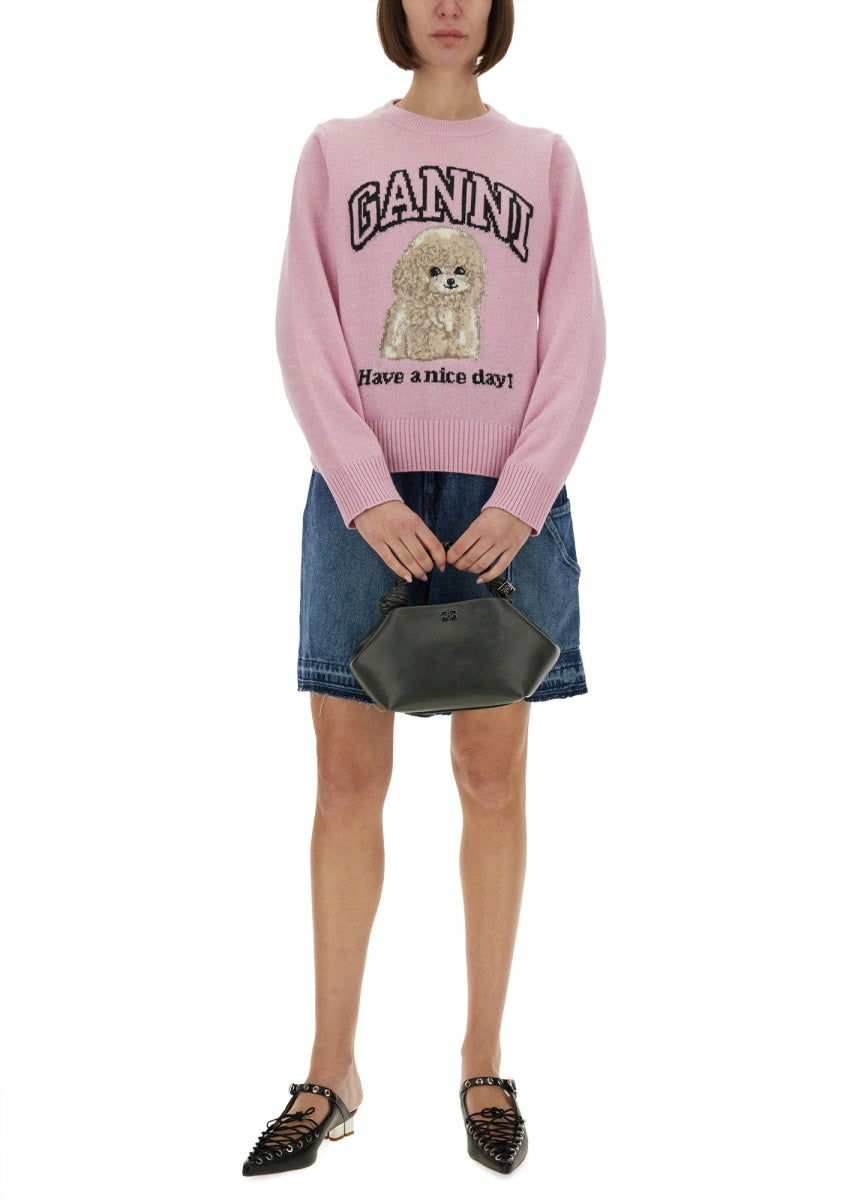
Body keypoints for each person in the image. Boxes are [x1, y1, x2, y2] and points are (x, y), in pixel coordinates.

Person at [242, 0, 605, 1177]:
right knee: (347, 785)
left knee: (491, 783)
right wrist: (362, 488)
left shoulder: (545, 161)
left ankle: (483, 1062)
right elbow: (304, 330)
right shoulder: (334, 152)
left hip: (505, 505)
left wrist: (524, 495)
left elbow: (576, 340)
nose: (449, 4)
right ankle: (330, 1071)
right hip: (366, 502)